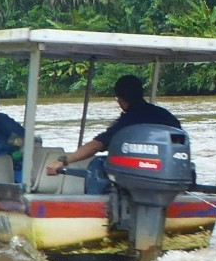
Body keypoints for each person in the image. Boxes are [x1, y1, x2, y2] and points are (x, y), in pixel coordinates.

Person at [48, 74, 183, 193]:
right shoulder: (166, 115)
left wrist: (63, 161)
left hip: (142, 176)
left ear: (120, 99)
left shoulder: (129, 120)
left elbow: (97, 146)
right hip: (173, 173)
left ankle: (98, 208)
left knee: (98, 164)